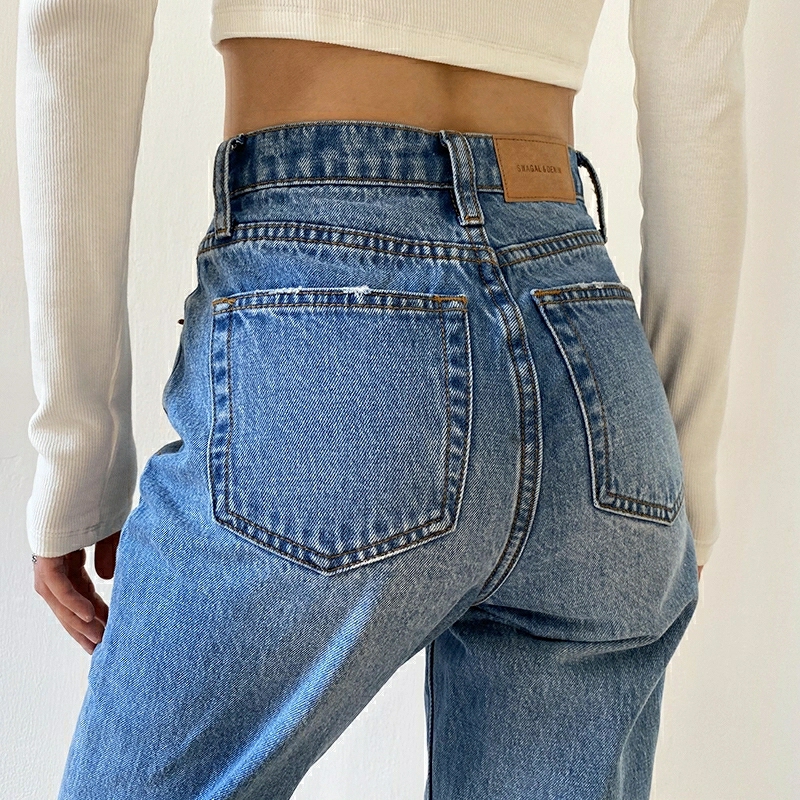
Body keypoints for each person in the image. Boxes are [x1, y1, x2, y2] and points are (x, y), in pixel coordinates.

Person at [16, 0, 749, 797]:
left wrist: (79, 456)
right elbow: (699, 84)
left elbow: (80, 23)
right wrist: (680, 476)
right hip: (590, 347)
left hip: (328, 293)